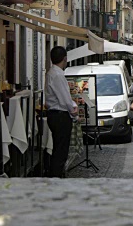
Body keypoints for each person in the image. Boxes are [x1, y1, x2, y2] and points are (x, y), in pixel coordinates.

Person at [45, 46, 79, 177]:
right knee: (61, 150)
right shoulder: (58, 75)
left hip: (54, 114)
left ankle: (56, 175)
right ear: (65, 59)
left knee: (58, 148)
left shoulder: (51, 73)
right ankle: (56, 177)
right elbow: (64, 98)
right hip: (60, 115)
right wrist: (73, 110)